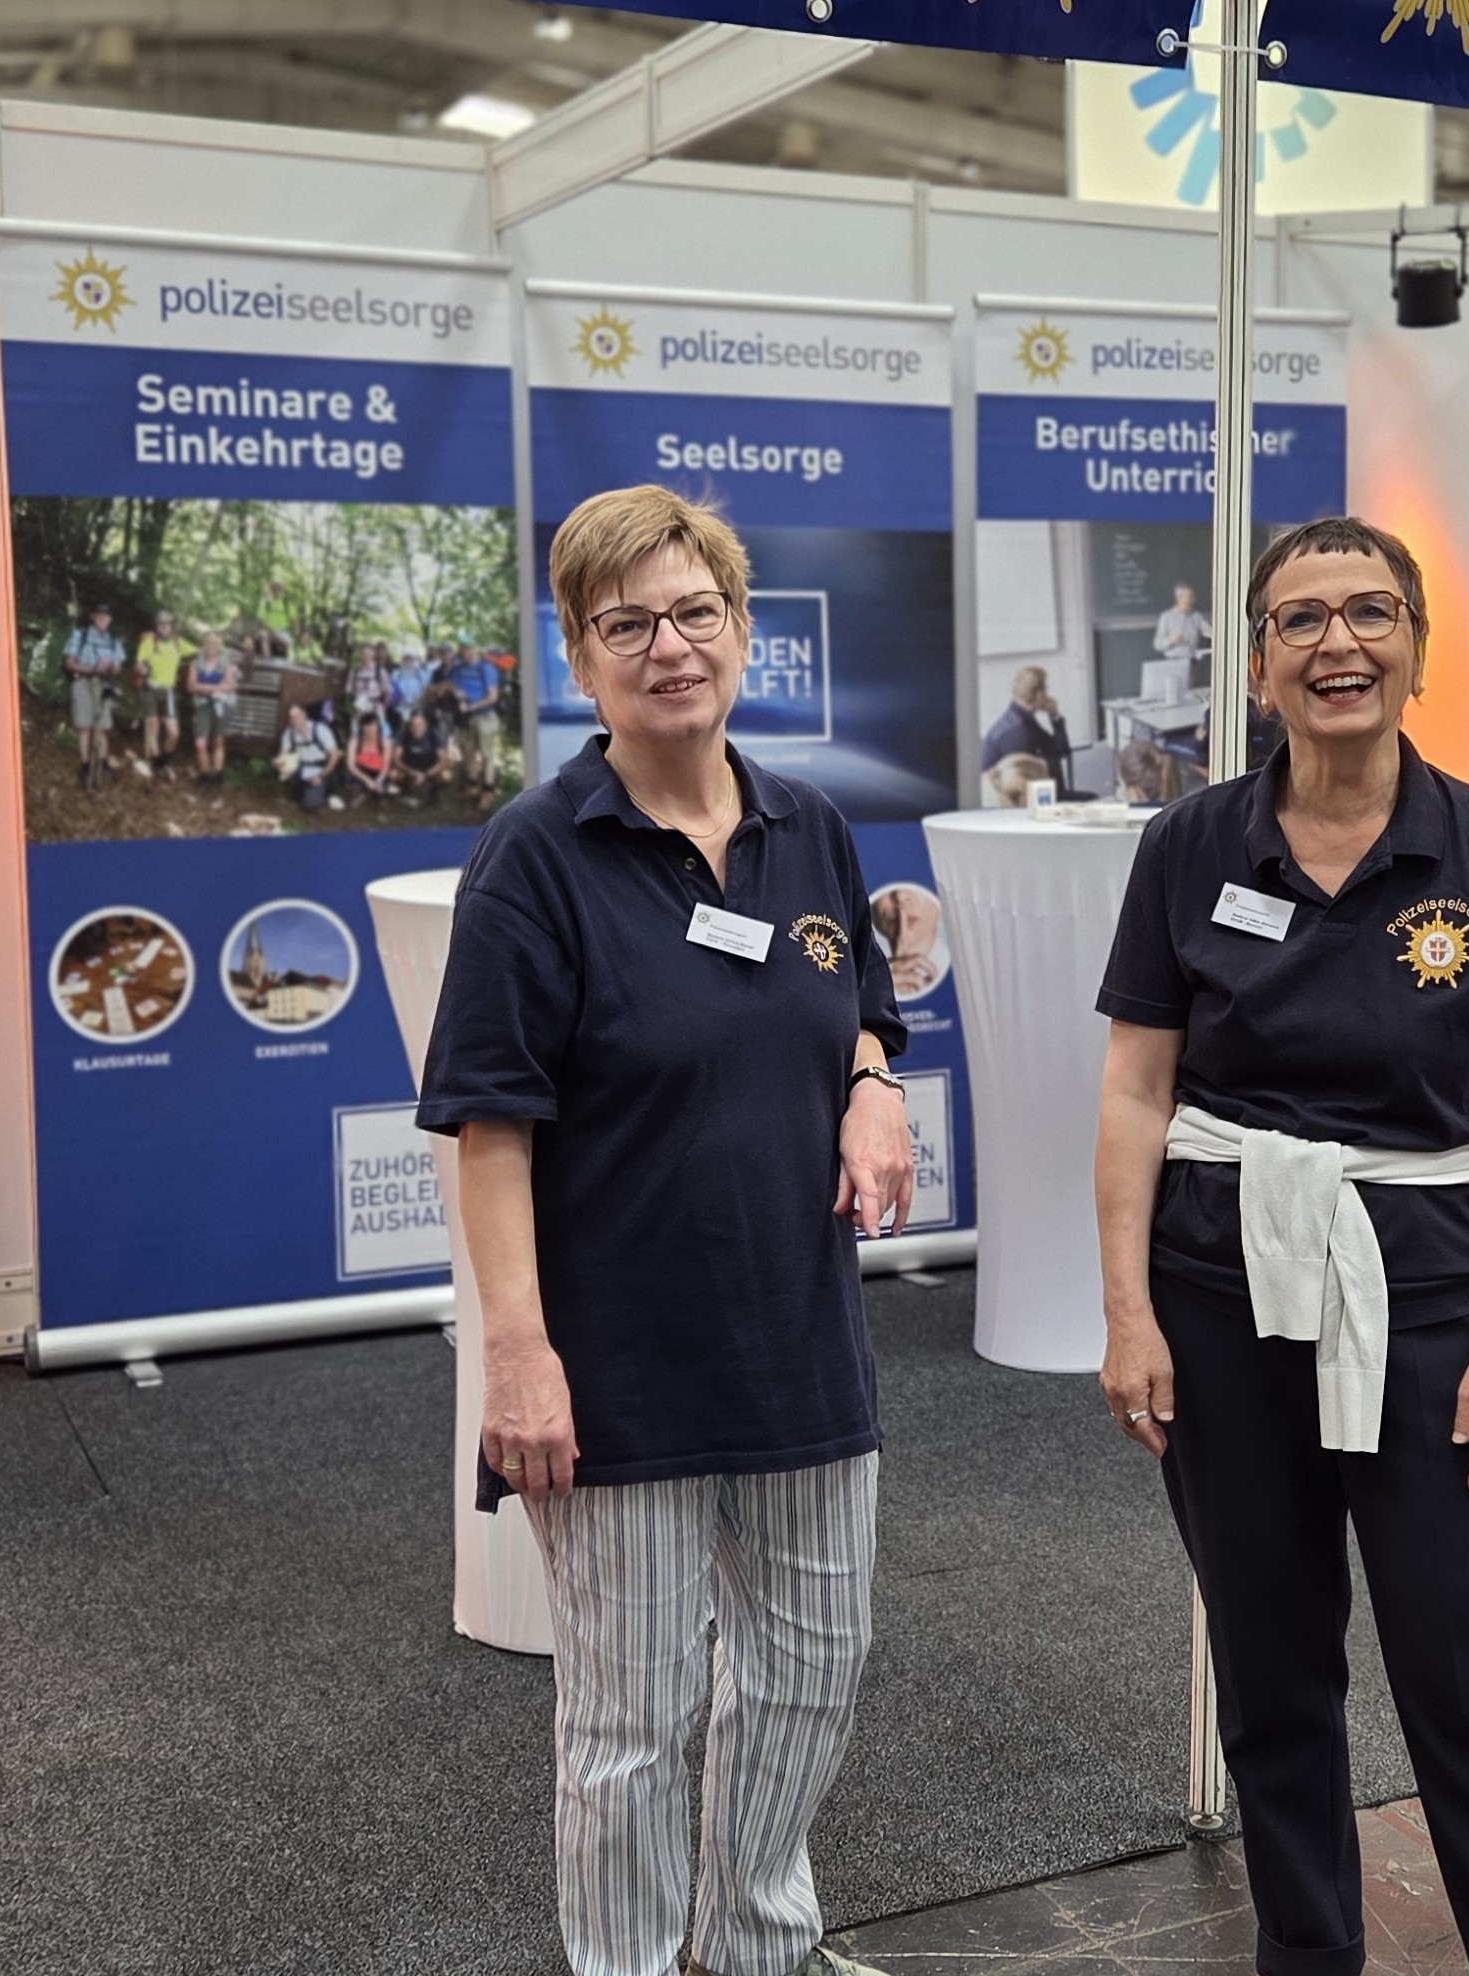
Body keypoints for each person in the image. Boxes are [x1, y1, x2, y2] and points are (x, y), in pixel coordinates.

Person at [415, 483, 911, 1976]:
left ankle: (755, 1944)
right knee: (628, 1724)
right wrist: (518, 1357)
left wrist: (873, 1082)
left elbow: (856, 1005)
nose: (670, 647)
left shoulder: (809, 826)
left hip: (801, 1346)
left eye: (696, 613)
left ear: (743, 630)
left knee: (812, 1673)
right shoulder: (537, 854)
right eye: (627, 623)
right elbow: (490, 1126)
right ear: (580, 655)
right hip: (614, 1364)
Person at [1094, 516, 1469, 1976]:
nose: (1337, 645)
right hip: (1220, 1283)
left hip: (1432, 1296)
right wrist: (1126, 1310)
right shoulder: (1189, 845)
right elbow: (1135, 1090)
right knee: (1268, 1663)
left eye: (1369, 614)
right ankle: (1306, 1955)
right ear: (1257, 665)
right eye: (1300, 622)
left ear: (1416, 648)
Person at [979, 666, 1078, 800]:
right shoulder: (1017, 732)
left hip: (1045, 792)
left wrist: (1055, 716)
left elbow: (1060, 750)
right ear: (1039, 693)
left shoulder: (1022, 720)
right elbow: (1022, 791)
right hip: (1027, 801)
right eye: (1045, 689)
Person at [63, 601, 126, 792]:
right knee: (85, 726)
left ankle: (104, 763)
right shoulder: (79, 634)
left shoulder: (113, 641)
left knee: (103, 726)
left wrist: (110, 666)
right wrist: (91, 668)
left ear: (110, 619)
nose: (102, 618)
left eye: (106, 615)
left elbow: (118, 666)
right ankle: (84, 766)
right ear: (92, 616)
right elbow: (69, 663)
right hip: (82, 681)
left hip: (103, 684)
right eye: (99, 614)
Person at [135, 609, 192, 779]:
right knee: (153, 725)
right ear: (157, 626)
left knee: (174, 733)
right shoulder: (149, 642)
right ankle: (156, 761)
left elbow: (199, 652)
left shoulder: (177, 642)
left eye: (167, 623)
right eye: (161, 624)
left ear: (171, 625)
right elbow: (138, 663)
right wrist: (142, 668)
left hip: (168, 690)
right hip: (150, 688)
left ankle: (163, 761)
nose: (164, 626)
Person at [447, 641, 507, 797]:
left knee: (487, 754)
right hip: (466, 718)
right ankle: (472, 784)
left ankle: (488, 789)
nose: (465, 651)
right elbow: (452, 685)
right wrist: (458, 695)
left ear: (475, 649)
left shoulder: (486, 668)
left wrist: (471, 707)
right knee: (469, 753)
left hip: (485, 717)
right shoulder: (459, 669)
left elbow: (492, 697)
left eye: (468, 648)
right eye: (462, 648)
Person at [186, 632, 240, 784]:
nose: (211, 647)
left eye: (214, 644)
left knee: (218, 741)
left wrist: (202, 687)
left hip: (221, 705)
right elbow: (190, 686)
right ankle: (204, 774)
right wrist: (214, 688)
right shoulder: (196, 663)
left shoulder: (225, 663)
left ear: (219, 646)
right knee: (200, 743)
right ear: (204, 646)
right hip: (202, 706)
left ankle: (217, 777)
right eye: (208, 643)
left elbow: (229, 685)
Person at [272, 701, 339, 812]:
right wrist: (277, 762)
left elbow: (334, 756)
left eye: (297, 716)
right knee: (288, 775)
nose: (295, 720)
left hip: (321, 769)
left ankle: (326, 790)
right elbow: (282, 754)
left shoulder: (320, 730)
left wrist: (322, 775)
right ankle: (304, 788)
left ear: (304, 714)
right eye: (292, 718)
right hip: (302, 766)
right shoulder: (290, 732)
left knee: (309, 806)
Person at [1153, 580, 1212, 686]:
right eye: (1188, 596)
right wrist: (1171, 640)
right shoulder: (1167, 617)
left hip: (1192, 664)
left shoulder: (1196, 617)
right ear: (1179, 598)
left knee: (1191, 693)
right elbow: (1158, 644)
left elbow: (1210, 633)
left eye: (1192, 596)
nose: (1191, 600)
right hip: (1172, 663)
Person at [393, 707, 453, 802]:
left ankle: (434, 791)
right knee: (393, 774)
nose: (417, 728)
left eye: (420, 724)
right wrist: (411, 772)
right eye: (413, 725)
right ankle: (404, 787)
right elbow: (396, 758)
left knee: (446, 776)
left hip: (429, 768)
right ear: (409, 725)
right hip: (410, 767)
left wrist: (425, 775)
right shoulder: (403, 733)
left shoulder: (435, 734)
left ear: (426, 724)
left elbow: (443, 760)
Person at [344, 711, 393, 806]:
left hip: (378, 771)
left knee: (388, 788)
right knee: (357, 784)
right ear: (361, 727)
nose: (371, 729)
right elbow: (350, 765)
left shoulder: (385, 741)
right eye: (367, 726)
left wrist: (379, 780)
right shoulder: (354, 741)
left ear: (378, 726)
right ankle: (363, 791)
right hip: (361, 771)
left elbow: (386, 765)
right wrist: (366, 780)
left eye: (373, 725)